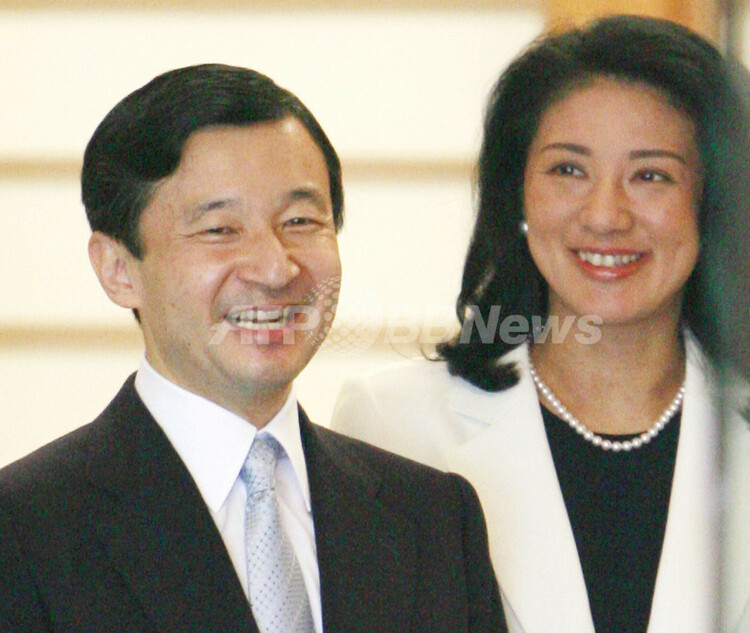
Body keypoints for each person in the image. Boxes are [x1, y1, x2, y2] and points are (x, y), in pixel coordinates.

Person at [332, 15, 750, 633]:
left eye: (651, 175)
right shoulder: (390, 424)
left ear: (716, 204)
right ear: (518, 193)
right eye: (568, 170)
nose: (605, 216)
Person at [0, 64, 507, 633]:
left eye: (300, 220)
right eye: (220, 229)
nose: (275, 267)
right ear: (118, 269)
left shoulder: (434, 518)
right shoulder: (23, 531)